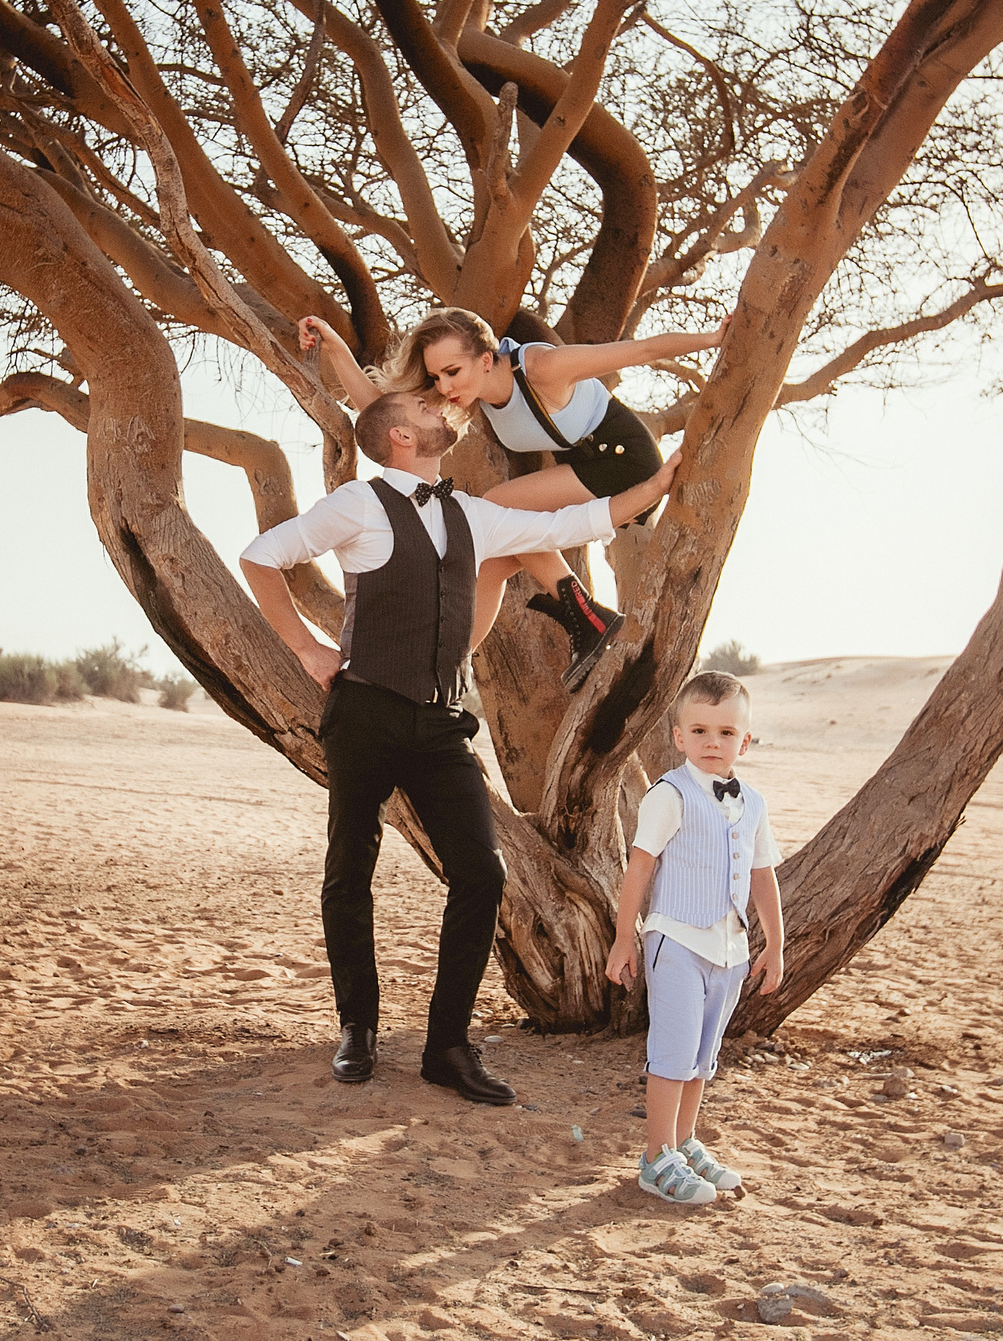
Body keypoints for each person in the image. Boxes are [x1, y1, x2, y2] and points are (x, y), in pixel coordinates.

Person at [240, 389, 683, 1104]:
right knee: (349, 869)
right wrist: (305, 646)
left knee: (481, 873)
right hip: (364, 712)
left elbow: (572, 520)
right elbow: (262, 556)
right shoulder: (358, 502)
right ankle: (358, 1026)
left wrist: (655, 486)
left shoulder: (468, 512)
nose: (440, 405)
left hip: (440, 723)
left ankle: (447, 1044)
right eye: (422, 404)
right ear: (399, 438)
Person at [297, 308, 727, 688]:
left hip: (623, 460)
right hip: (584, 467)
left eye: (452, 371)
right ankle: (446, 666)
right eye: (436, 377)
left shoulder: (542, 367)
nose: (444, 387)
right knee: (488, 562)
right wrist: (334, 346)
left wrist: (711, 340)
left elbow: (642, 350)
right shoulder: (472, 391)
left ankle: (587, 615)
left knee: (497, 504)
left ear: (486, 359)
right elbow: (381, 410)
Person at [605, 669, 785, 1203]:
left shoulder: (753, 803)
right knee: (673, 1052)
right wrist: (623, 938)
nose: (714, 742)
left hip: (728, 948)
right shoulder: (670, 794)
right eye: (701, 731)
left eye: (727, 732)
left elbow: (761, 874)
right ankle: (655, 1156)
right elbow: (639, 868)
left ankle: (683, 1141)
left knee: (703, 1055)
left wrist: (774, 943)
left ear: (745, 742)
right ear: (679, 737)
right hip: (676, 939)